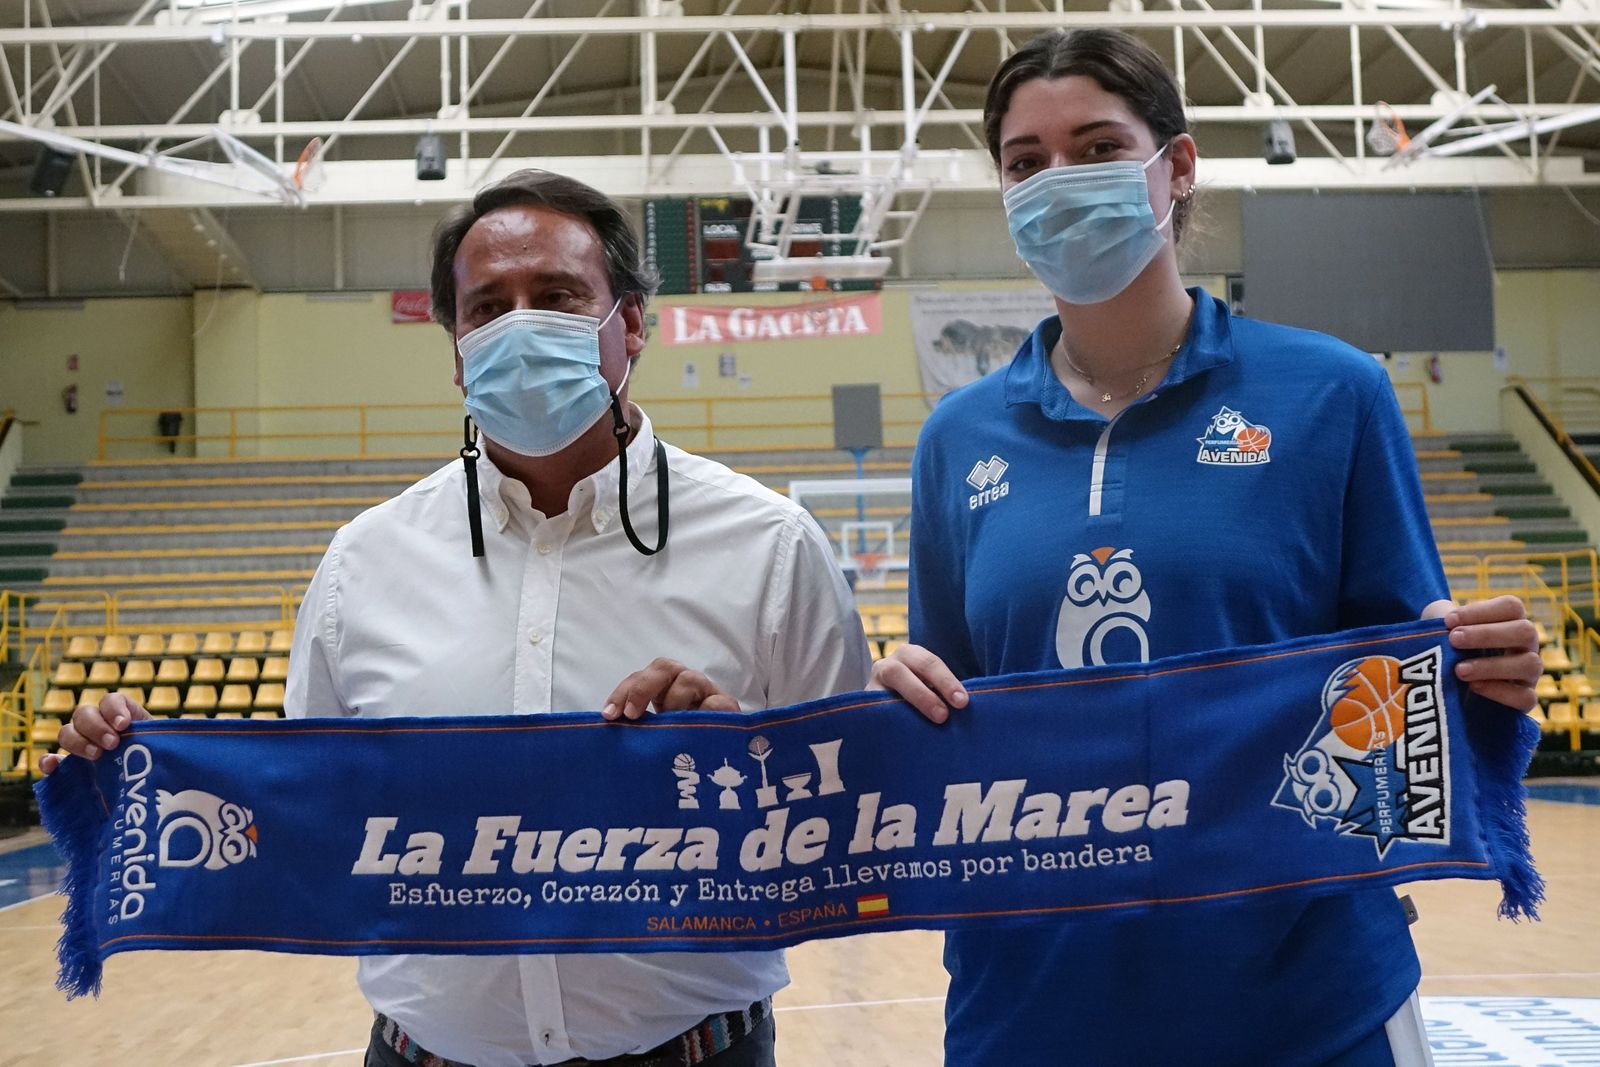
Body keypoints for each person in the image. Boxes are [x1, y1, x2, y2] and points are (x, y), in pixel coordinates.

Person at [45, 169, 872, 1067]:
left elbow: (858, 818)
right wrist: (133, 775)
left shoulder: (772, 545)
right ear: (456, 350)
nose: (519, 325)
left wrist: (741, 763)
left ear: (628, 323)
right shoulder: (363, 565)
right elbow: (313, 817)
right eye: (487, 307)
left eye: (556, 296)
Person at [869, 28, 1541, 1067]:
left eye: (1096, 147)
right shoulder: (955, 439)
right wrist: (900, 695)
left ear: (1174, 168)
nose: (1058, 180)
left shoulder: (1330, 393)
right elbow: (960, 710)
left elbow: (1403, 675)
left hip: (1304, 993)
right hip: (1034, 996)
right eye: (1024, 162)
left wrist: (1480, 667)